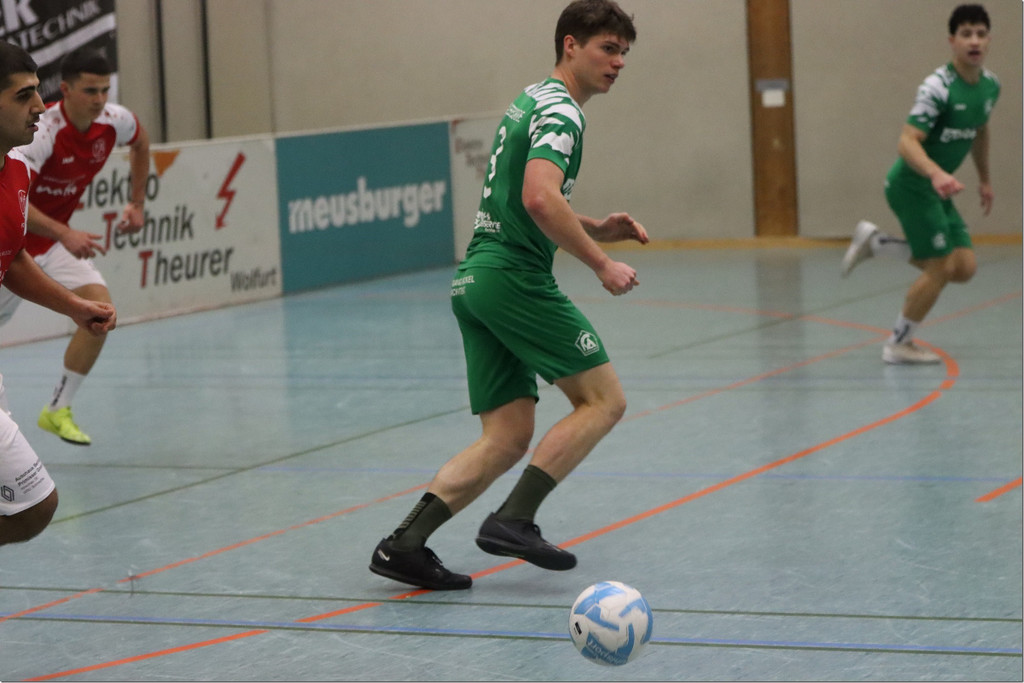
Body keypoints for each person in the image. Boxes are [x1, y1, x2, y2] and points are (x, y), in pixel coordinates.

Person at [369, 0, 647, 591]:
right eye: (607, 48)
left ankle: (403, 545)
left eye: (624, 52)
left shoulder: (532, 98)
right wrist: (601, 263)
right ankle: (514, 519)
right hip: (515, 277)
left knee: (507, 436)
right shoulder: (564, 112)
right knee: (604, 401)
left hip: (477, 279)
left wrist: (595, 228)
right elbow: (540, 199)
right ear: (570, 45)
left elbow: (524, 197)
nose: (618, 62)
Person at [0, 47, 149, 445]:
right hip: (13, 247)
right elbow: (16, 202)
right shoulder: (39, 134)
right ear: (65, 90)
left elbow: (141, 142)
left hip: (47, 246)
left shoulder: (115, 120)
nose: (99, 100)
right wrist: (64, 232)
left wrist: (136, 203)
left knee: (99, 311)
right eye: (90, 91)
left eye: (105, 90)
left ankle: (57, 409)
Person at [0, 42, 116, 546]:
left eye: (38, 92)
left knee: (25, 509)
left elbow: (11, 257)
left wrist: (74, 307)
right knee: (35, 506)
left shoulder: (17, 171)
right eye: (23, 96)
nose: (39, 107)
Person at [841, 4, 999, 365]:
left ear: (989, 40)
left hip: (936, 190)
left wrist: (985, 179)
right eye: (966, 34)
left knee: (964, 268)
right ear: (952, 41)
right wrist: (935, 173)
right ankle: (898, 343)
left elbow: (980, 130)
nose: (974, 41)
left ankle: (877, 244)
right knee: (941, 266)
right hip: (912, 184)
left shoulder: (990, 86)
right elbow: (907, 141)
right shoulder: (937, 88)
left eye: (980, 34)